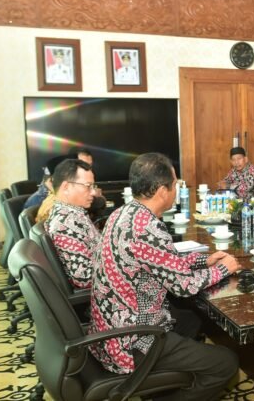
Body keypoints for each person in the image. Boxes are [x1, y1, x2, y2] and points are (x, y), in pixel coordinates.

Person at [88, 153, 240, 400]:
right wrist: (224, 268)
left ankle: (163, 384)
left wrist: (204, 260)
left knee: (193, 318)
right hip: (133, 340)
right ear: (162, 191)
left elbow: (160, 262)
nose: (177, 189)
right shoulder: (148, 228)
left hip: (111, 328)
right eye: (175, 184)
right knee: (226, 363)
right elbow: (183, 285)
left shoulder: (123, 213)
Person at [44, 159, 100, 289]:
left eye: (93, 186)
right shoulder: (64, 224)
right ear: (66, 187)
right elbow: (84, 277)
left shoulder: (73, 213)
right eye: (88, 186)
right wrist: (123, 267)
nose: (93, 192)